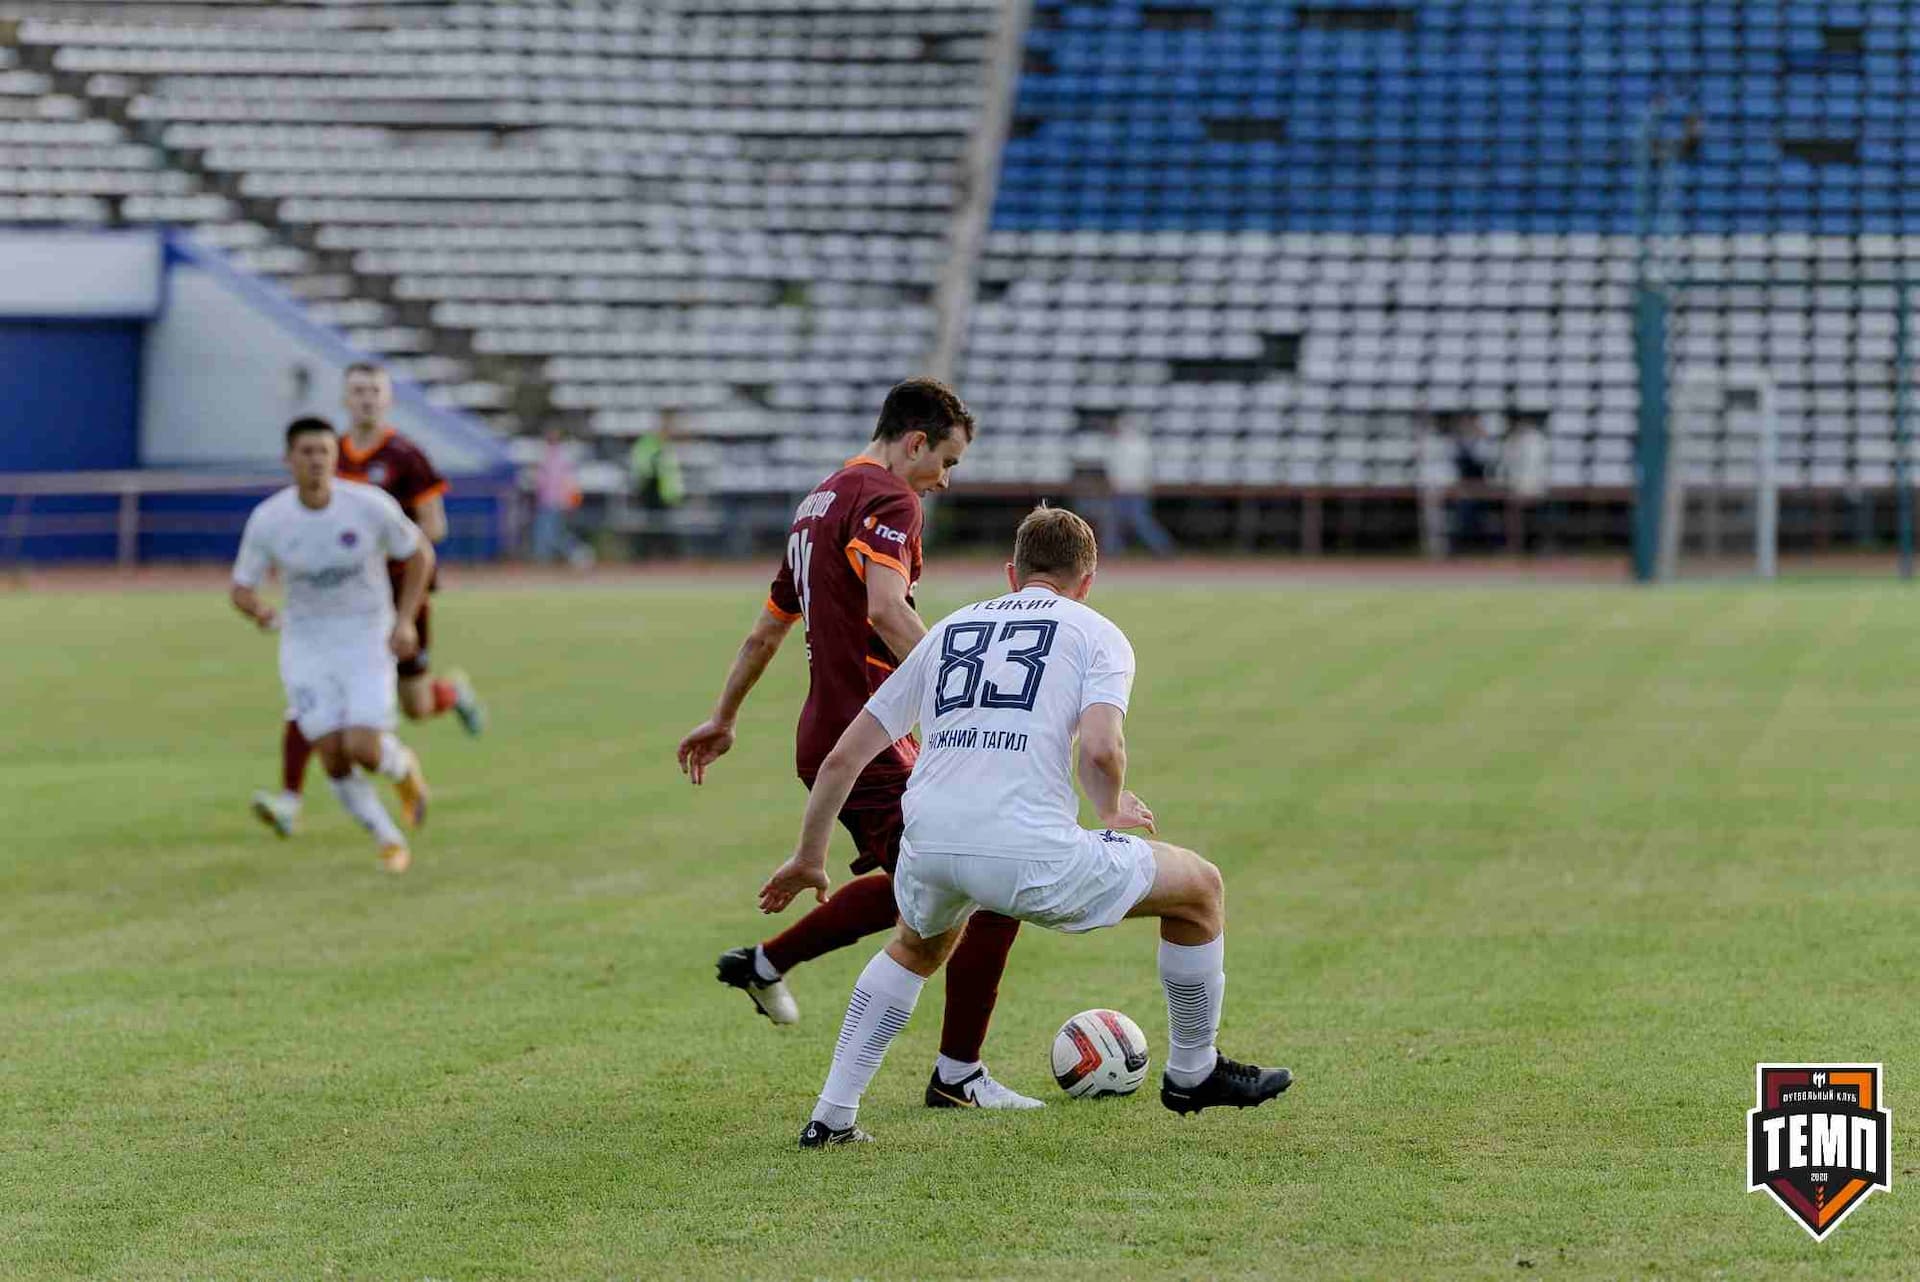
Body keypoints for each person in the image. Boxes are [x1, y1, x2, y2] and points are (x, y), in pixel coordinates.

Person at [760, 506, 1292, 1147]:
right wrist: (1112, 811)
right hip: (1025, 852)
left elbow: (846, 755)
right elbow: (1101, 748)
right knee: (1200, 887)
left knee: (916, 946)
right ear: (1086, 580)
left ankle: (831, 1117)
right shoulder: (1097, 632)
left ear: (1012, 574)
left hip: (926, 841)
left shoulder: (949, 629)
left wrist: (808, 854)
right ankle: (1193, 1071)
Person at [677, 377, 1041, 1111]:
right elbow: (885, 609)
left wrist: (725, 716)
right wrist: (961, 684)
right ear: (915, 443)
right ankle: (958, 1076)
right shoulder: (890, 499)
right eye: (949, 461)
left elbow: (767, 627)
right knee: (988, 884)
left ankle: (765, 961)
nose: (945, 481)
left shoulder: (818, 502)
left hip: (840, 729)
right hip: (864, 734)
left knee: (936, 880)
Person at [251, 364, 485, 838]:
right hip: (334, 608)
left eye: (374, 392)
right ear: (344, 398)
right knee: (310, 700)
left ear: (388, 399)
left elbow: (433, 527)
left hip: (401, 596)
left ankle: (451, 694)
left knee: (415, 707)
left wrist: (381, 541)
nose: (366, 400)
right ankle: (290, 799)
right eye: (357, 391)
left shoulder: (406, 456)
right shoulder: (326, 453)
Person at [231, 418, 434, 874]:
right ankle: (388, 839)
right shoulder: (270, 519)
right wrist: (258, 610)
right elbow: (241, 586)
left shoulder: (367, 506)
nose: (317, 460)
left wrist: (405, 622)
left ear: (335, 456)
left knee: (363, 745)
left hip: (365, 636)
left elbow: (419, 553)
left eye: (324, 450)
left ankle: (402, 768)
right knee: (331, 752)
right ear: (289, 460)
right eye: (306, 452)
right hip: (306, 644)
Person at [1103, 414, 1174, 556]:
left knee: (1139, 522)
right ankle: (1112, 551)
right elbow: (1113, 468)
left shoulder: (1140, 445)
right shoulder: (1119, 445)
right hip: (1122, 489)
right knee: (1116, 522)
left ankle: (1163, 548)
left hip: (1135, 489)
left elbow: (1145, 469)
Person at [530, 426, 586, 565]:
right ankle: (545, 560)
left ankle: (576, 553)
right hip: (545, 500)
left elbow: (569, 480)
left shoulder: (563, 456)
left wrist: (571, 499)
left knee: (554, 533)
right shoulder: (545, 454)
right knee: (545, 533)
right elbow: (541, 479)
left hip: (558, 501)